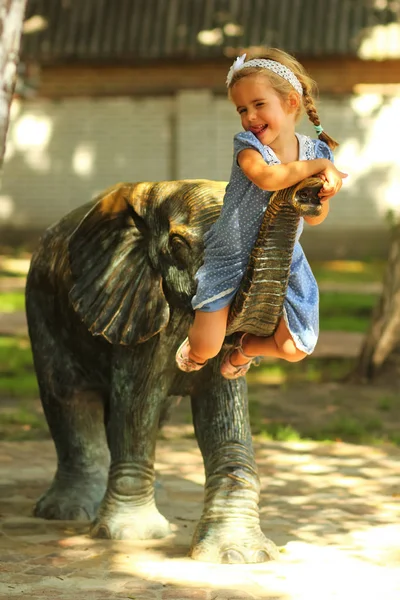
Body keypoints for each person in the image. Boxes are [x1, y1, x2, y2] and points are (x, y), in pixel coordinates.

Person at [175, 48, 347, 380]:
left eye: (258, 105)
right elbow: (268, 179)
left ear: (290, 103)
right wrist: (320, 167)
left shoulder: (315, 151)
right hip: (232, 252)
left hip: (283, 255)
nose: (250, 117)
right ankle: (196, 346)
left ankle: (248, 349)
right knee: (206, 347)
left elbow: (314, 218)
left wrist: (323, 196)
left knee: (296, 346)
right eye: (242, 109)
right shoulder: (249, 147)